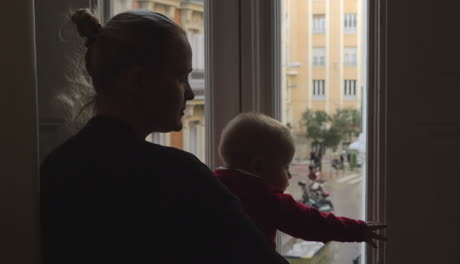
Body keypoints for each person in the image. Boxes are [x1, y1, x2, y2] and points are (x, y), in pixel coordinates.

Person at [40, 9, 288, 264]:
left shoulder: (57, 165)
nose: (190, 93)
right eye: (181, 77)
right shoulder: (179, 176)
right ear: (139, 81)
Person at [215, 112, 387, 248]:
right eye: (285, 167)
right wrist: (358, 230)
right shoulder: (265, 198)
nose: (289, 175)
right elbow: (313, 223)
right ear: (258, 166)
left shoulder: (211, 184)